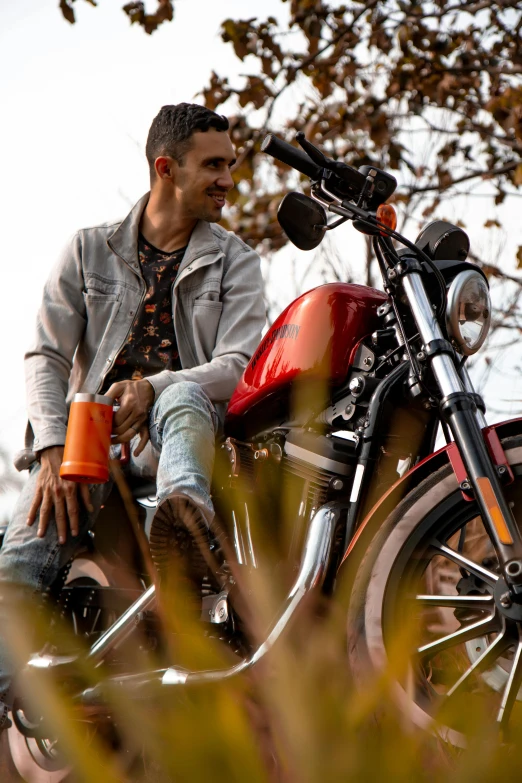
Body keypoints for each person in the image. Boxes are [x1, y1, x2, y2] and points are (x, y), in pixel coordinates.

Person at [0, 103, 265, 733]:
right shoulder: (89, 251)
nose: (228, 178)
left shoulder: (237, 261)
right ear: (166, 169)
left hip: (187, 436)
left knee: (177, 395)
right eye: (214, 165)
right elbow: (46, 355)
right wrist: (50, 454)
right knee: (20, 563)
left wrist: (156, 387)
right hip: (89, 444)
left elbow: (238, 365)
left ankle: (184, 524)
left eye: (231, 164)